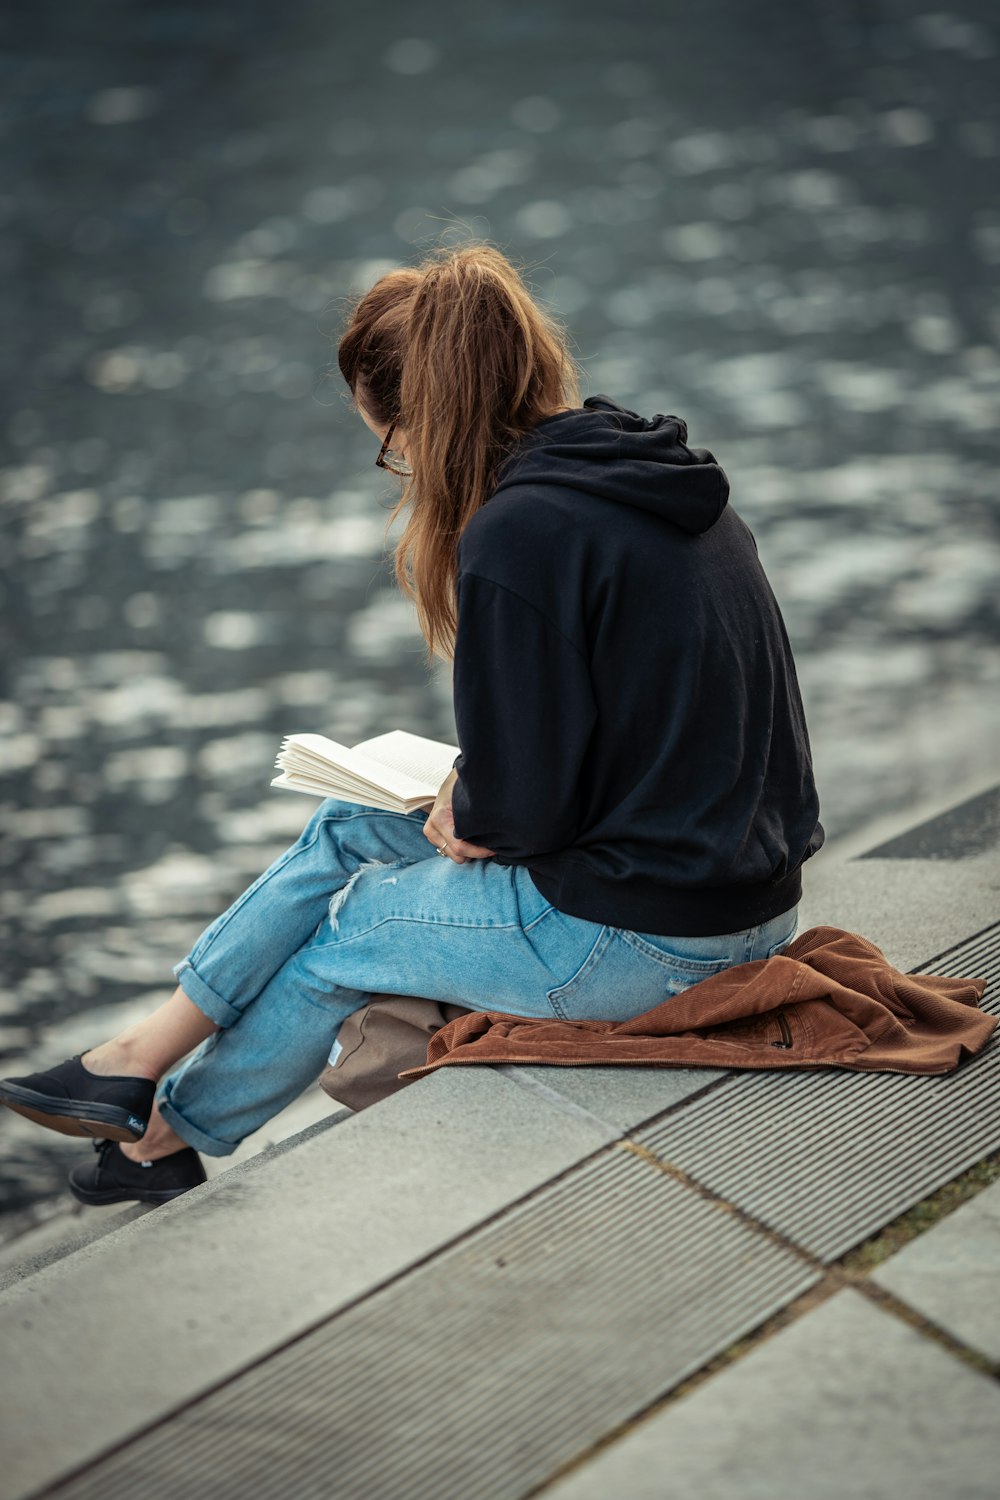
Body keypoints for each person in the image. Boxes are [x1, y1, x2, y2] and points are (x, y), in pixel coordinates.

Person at [0, 243, 823, 1205]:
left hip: (654, 944)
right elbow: (617, 733)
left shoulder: (521, 532)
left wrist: (467, 808)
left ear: (430, 416)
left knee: (353, 928)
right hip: (741, 888)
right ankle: (135, 1056)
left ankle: (167, 1139)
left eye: (390, 442)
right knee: (345, 824)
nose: (401, 468)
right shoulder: (646, 476)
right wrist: (474, 800)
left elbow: (522, 813)